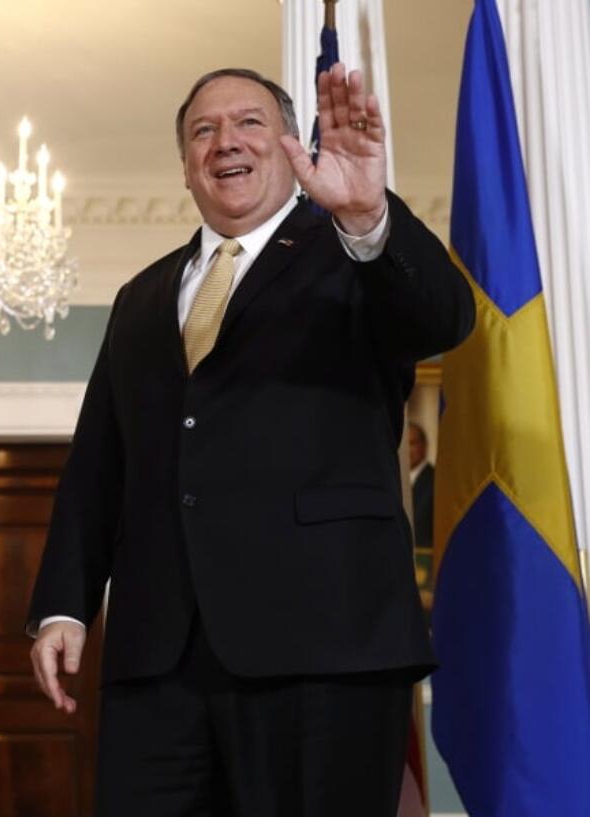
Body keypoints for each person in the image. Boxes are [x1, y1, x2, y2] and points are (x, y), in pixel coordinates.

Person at [27, 64, 474, 816]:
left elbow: (444, 318)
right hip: (158, 661)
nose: (224, 142)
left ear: (293, 143)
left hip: (323, 647)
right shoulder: (142, 296)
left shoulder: (352, 254)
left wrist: (367, 215)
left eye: (248, 123)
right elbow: (99, 466)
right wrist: (63, 604)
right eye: (203, 130)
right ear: (184, 165)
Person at [409, 421, 435, 550]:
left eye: (412, 443)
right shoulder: (395, 481)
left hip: (426, 561)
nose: (407, 450)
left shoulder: (434, 481)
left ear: (424, 446)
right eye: (404, 445)